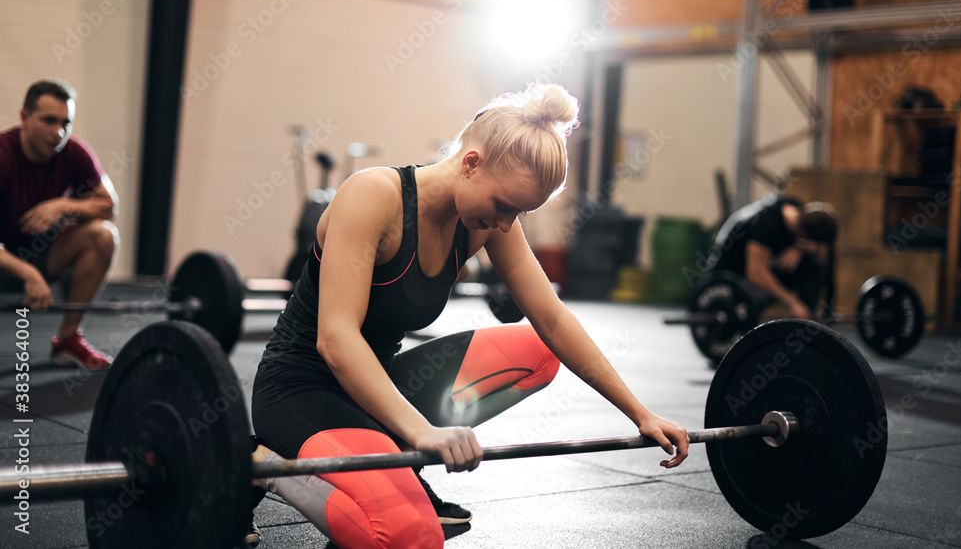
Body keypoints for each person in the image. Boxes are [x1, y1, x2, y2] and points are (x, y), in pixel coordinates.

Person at [247, 84, 689, 549]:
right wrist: (421, 432)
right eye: (503, 206)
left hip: (379, 386)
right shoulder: (373, 196)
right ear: (471, 163)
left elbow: (553, 321)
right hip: (301, 389)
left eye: (518, 212)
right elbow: (336, 341)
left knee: (539, 351)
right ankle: (264, 468)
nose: (505, 224)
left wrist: (640, 413)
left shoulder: (486, 224)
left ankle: (391, 457)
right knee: (410, 537)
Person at [0, 79, 119, 369]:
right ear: (24, 118)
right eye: (49, 121)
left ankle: (68, 340)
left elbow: (109, 205)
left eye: (66, 123)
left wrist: (65, 206)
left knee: (103, 236)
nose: (59, 132)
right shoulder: (3, 155)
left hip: (42, 255)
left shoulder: (74, 153)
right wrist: (26, 272)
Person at [701, 194, 839, 319]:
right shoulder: (766, 225)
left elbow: (808, 246)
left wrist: (798, 248)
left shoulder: (794, 208)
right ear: (805, 235)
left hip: (750, 273)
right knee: (755, 297)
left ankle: (799, 324)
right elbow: (755, 273)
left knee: (815, 267)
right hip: (724, 282)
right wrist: (792, 301)